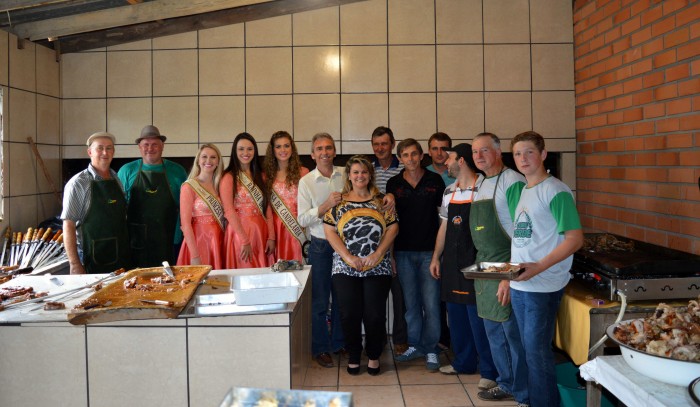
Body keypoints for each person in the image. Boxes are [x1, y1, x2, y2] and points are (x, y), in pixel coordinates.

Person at [509, 131, 583, 407]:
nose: (523, 158)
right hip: (520, 283)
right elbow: (524, 239)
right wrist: (507, 276)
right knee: (528, 351)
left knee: (537, 353)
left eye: (529, 152)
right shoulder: (523, 190)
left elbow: (575, 239)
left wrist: (539, 266)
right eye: (518, 153)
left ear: (543, 154)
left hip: (542, 286)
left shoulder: (556, 190)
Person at [429, 143, 498, 391]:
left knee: (478, 318)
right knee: (456, 316)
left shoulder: (486, 188)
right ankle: (463, 363)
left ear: (461, 161)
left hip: (477, 261)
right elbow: (444, 227)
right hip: (452, 262)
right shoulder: (449, 191)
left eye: (449, 158)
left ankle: (489, 370)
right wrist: (436, 257)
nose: (445, 162)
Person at [323, 155, 398, 376]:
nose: (360, 176)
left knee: (374, 314)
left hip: (378, 266)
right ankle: (354, 355)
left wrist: (378, 254)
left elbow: (393, 227)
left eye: (364, 172)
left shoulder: (383, 201)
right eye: (355, 172)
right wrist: (347, 257)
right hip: (345, 267)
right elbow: (329, 230)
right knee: (349, 314)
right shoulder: (339, 202)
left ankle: (374, 355)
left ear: (370, 175)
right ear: (349, 176)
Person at [469, 133, 529, 405]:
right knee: (494, 331)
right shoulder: (481, 182)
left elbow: (522, 232)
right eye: (475, 152)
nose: (479, 156)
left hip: (508, 262)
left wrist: (509, 275)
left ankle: (523, 390)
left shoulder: (513, 181)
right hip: (486, 266)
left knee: (512, 334)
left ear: (498, 151)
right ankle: (505, 382)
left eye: (484, 150)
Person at [386, 138, 445, 371]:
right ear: (399, 158)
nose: (410, 159)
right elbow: (390, 222)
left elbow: (443, 218)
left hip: (430, 252)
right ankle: (415, 345)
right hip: (403, 253)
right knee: (410, 305)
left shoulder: (435, 181)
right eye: (405, 155)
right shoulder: (393, 184)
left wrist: (438, 254)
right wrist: (391, 256)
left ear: (421, 156)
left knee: (431, 304)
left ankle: (430, 348)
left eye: (413, 154)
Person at [297, 133, 346, 368]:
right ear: (312, 154)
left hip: (345, 244)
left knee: (342, 298)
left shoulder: (346, 174)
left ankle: (339, 343)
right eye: (319, 149)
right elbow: (302, 219)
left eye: (328, 148)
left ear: (334, 151)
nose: (324, 152)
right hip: (320, 245)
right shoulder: (306, 182)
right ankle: (321, 348)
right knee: (319, 301)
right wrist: (325, 206)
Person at [62, 132, 131, 274]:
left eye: (109, 148)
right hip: (92, 260)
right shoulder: (78, 183)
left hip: (121, 258)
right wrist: (74, 264)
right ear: (90, 152)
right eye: (100, 148)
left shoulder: (116, 179)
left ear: (113, 152)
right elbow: (68, 225)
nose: (105, 152)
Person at [117, 125, 188, 266]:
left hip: (169, 239)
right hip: (136, 241)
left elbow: (186, 207)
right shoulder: (126, 171)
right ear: (139, 147)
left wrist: (179, 236)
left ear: (162, 146)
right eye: (146, 144)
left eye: (155, 144)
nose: (150, 148)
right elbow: (118, 209)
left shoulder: (177, 171)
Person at [370, 125, 408, 356]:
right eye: (376, 144)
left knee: (399, 294)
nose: (380, 148)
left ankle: (401, 339)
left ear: (392, 144)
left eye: (384, 143)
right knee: (375, 296)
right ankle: (378, 339)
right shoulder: (367, 170)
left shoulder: (403, 168)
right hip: (371, 241)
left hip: (398, 237)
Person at [221, 133, 276, 269]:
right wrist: (244, 240)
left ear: (255, 151)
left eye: (250, 149)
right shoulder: (228, 177)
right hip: (239, 233)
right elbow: (229, 211)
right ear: (235, 151)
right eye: (241, 149)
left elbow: (267, 207)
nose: (246, 153)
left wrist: (271, 236)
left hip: (260, 231)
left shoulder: (261, 176)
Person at [425, 131, 455, 351]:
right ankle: (441, 337)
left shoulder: (457, 172)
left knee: (453, 292)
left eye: (444, 148)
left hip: (456, 241)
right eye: (435, 148)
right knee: (434, 294)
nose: (439, 153)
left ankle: (456, 337)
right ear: (429, 151)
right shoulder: (423, 174)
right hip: (431, 241)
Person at [263, 131, 310, 262]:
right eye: (278, 146)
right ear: (272, 150)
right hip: (276, 230)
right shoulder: (265, 176)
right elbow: (266, 208)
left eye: (286, 146)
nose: (283, 150)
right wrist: (271, 235)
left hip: (299, 228)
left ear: (292, 148)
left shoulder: (303, 172)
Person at [176, 144, 225, 269]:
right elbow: (185, 224)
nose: (208, 161)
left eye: (213, 157)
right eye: (204, 157)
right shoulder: (189, 186)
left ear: (218, 162)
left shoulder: (221, 184)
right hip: (199, 241)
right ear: (198, 160)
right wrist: (194, 255)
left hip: (220, 239)